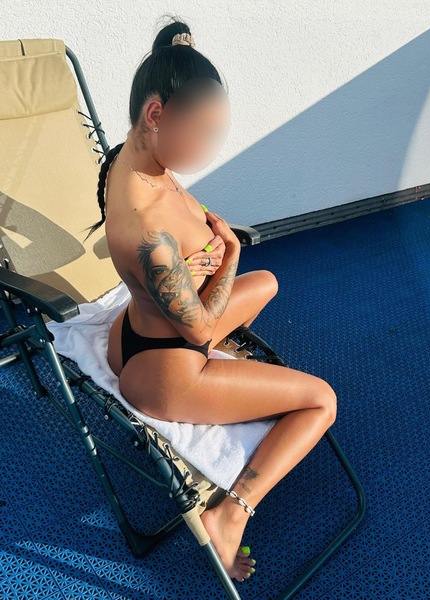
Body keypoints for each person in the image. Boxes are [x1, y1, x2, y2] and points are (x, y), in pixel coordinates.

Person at [88, 17, 337, 583]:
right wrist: (228, 256)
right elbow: (200, 330)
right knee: (321, 401)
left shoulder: (137, 159)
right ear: (156, 114)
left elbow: (179, 236)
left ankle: (223, 384)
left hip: (135, 331)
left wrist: (191, 265)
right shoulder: (148, 229)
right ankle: (230, 515)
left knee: (267, 283)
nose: (207, 148)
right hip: (164, 372)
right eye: (200, 133)